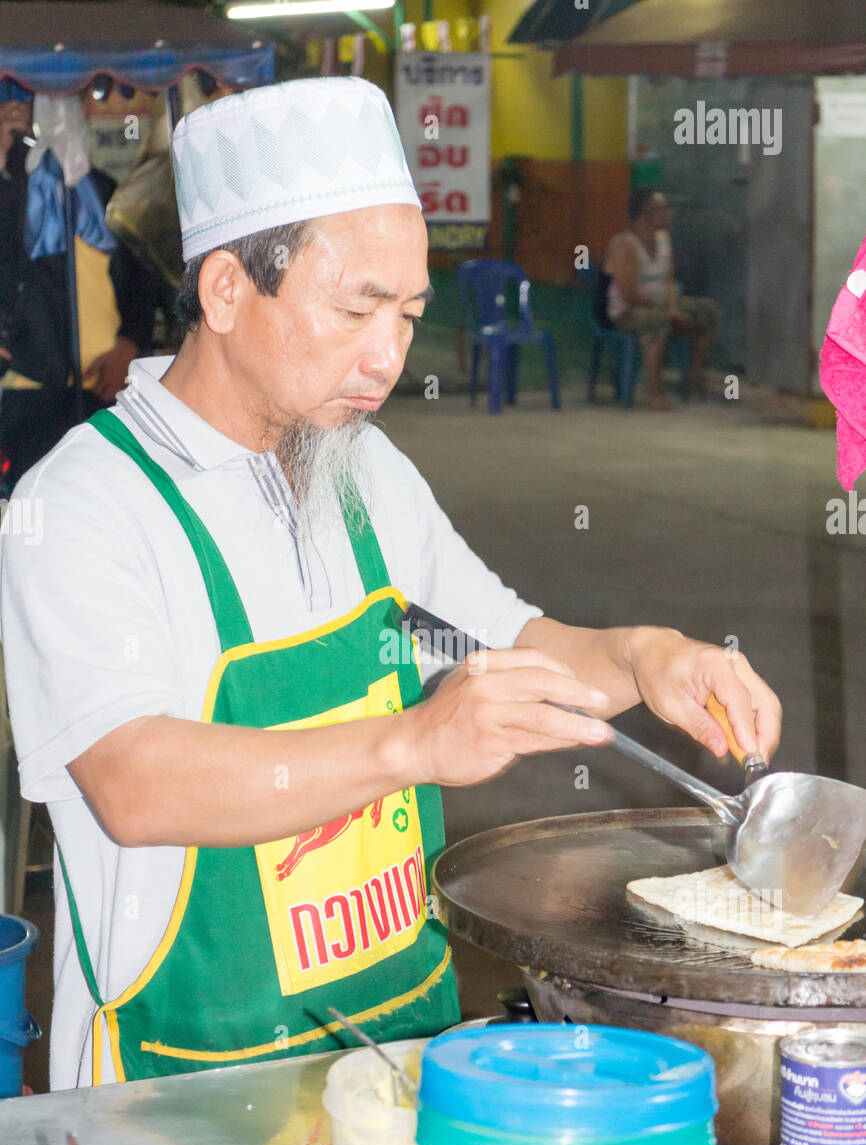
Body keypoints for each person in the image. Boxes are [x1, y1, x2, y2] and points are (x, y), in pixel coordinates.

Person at [0, 79, 781, 1091]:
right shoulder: (91, 501)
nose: (388, 356)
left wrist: (643, 655)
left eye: (409, 313)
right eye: (355, 308)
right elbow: (133, 782)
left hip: (399, 1058)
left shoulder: (360, 468)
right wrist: (411, 742)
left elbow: (507, 649)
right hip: (181, 1087)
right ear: (229, 290)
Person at [0, 84, 161, 488]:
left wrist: (130, 343)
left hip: (105, 385)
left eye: (28, 105)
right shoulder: (9, 196)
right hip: (26, 387)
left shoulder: (104, 193)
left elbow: (141, 279)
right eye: (7, 107)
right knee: (32, 502)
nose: (18, 117)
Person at [603, 188, 720, 409]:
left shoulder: (664, 239)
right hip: (629, 311)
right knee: (657, 322)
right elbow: (628, 295)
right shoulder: (625, 244)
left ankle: (694, 375)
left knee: (707, 311)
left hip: (661, 305)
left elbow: (670, 281)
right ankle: (654, 391)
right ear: (645, 214)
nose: (670, 213)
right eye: (663, 209)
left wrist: (673, 306)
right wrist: (665, 311)